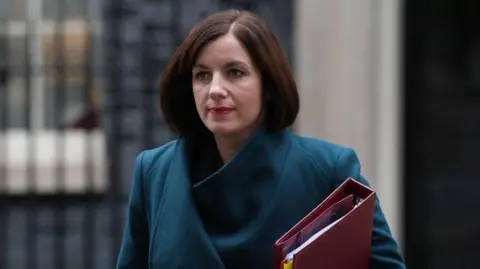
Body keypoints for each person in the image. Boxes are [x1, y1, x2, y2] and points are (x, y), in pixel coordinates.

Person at [116, 9, 406, 269]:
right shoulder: (154, 172)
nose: (215, 89)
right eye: (202, 75)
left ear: (268, 85)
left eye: (235, 72)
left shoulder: (328, 170)